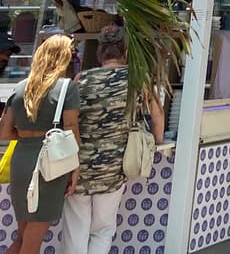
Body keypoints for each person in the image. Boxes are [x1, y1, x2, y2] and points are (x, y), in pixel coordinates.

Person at [63, 23, 165, 254]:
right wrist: (158, 141)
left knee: (75, 228)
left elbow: (70, 120)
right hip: (115, 168)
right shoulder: (137, 79)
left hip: (79, 167)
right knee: (103, 229)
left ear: (100, 52)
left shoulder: (82, 79)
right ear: (126, 52)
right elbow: (156, 114)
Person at [0, 34, 80, 254]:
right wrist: (75, 167)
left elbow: (5, 132)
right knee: (32, 243)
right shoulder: (66, 87)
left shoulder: (19, 88)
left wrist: (28, 136)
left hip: (22, 162)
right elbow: (72, 128)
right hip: (49, 165)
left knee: (23, 237)